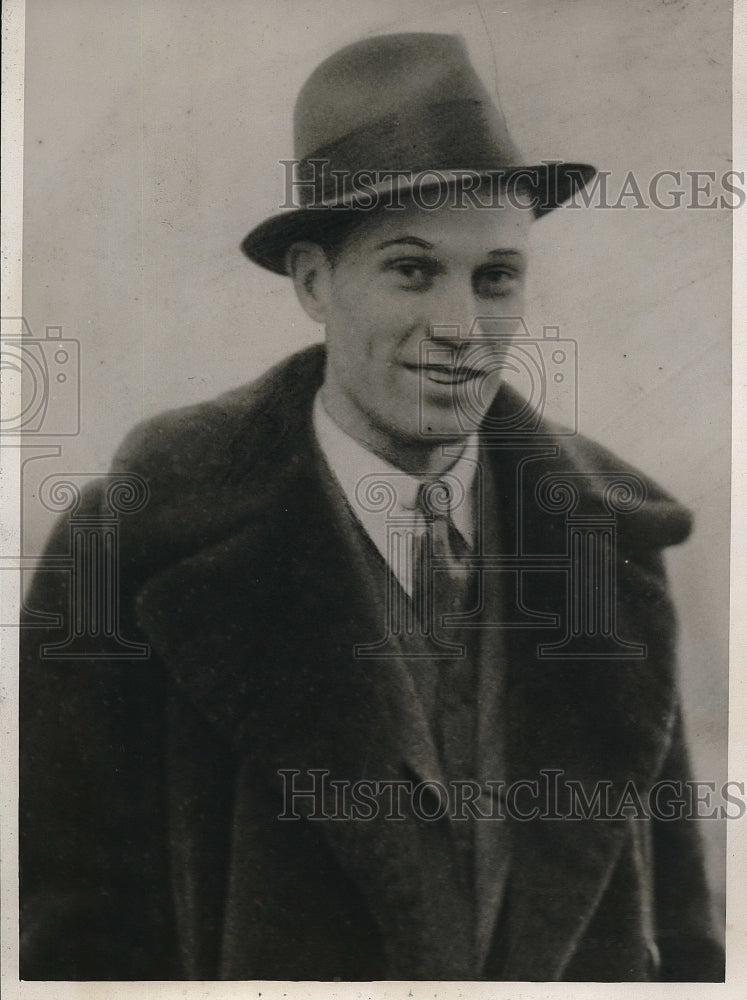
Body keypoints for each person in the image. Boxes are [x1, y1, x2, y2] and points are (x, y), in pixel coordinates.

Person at [20, 32, 724, 982]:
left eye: (495, 278)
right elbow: (77, 941)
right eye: (410, 269)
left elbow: (679, 938)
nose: (460, 329)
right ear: (314, 282)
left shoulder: (608, 546)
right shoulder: (130, 548)